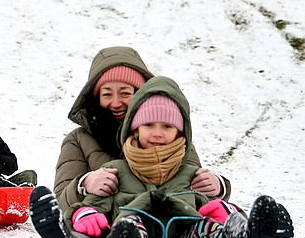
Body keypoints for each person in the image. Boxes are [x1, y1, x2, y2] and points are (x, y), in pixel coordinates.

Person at [30, 76, 294, 238]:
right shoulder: (113, 167)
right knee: (127, 229)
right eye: (149, 125)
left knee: (211, 231)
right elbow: (91, 201)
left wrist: (226, 208)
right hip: (133, 227)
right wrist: (83, 207)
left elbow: (205, 198)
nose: (157, 132)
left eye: (167, 126)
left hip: (185, 233)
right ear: (134, 129)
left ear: (180, 133)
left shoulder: (186, 167)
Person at [54, 46, 231, 213]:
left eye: (125, 93)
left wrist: (219, 186)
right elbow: (62, 201)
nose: (116, 103)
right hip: (106, 232)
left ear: (140, 94)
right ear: (96, 97)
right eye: (107, 94)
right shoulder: (78, 140)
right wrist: (83, 184)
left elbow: (195, 190)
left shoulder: (168, 136)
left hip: (171, 230)